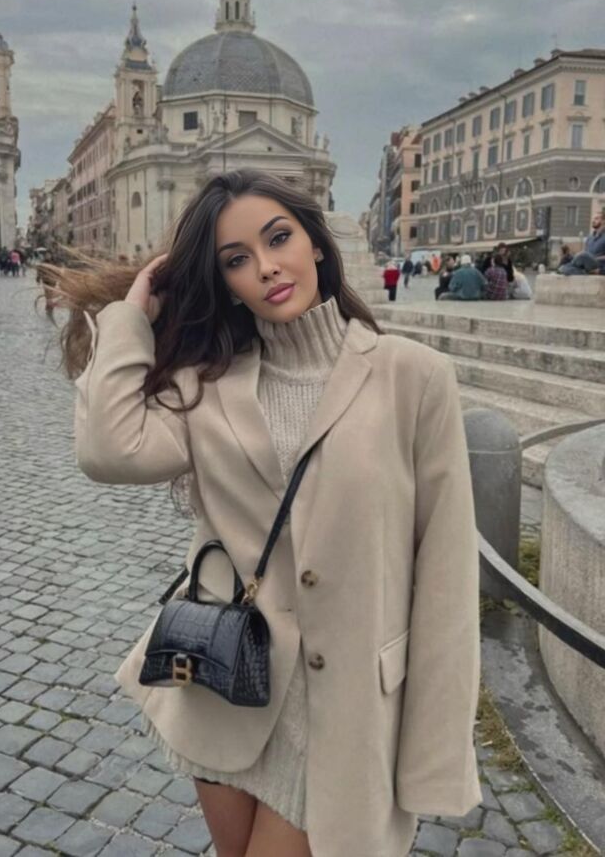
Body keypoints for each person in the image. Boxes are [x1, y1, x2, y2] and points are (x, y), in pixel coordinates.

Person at [49, 168, 482, 857]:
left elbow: (448, 576)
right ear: (225, 283)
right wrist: (133, 314)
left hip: (344, 713)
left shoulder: (414, 377)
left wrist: (435, 754)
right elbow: (109, 450)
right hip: (228, 690)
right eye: (236, 259)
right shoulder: (209, 382)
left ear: (315, 241)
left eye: (278, 238)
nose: (267, 267)